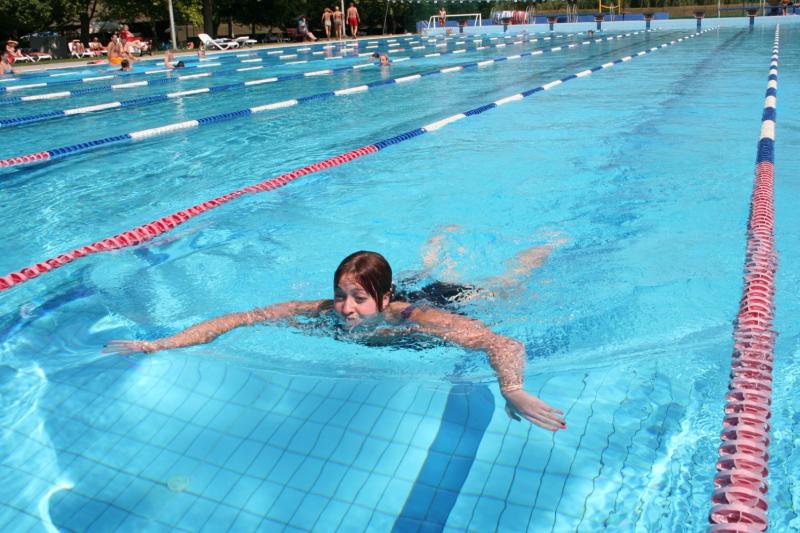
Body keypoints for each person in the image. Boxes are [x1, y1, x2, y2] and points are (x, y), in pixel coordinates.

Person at [105, 241, 568, 432]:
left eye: (358, 299)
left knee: (504, 287)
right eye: (340, 296)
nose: (346, 309)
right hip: (396, 290)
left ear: (383, 298)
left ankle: (540, 248)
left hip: (443, 300)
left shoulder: (418, 319)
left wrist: (512, 389)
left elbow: (503, 343)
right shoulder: (325, 312)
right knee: (417, 272)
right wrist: (160, 344)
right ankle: (433, 250)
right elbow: (240, 318)